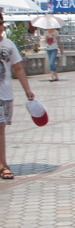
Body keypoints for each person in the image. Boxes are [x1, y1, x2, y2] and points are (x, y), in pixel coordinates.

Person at [0, 12, 35, 180]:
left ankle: (2, 163)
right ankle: (3, 165)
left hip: (6, 94)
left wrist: (27, 90)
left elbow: (18, 68)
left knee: (1, 128)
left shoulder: (9, 45)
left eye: (0, 23)